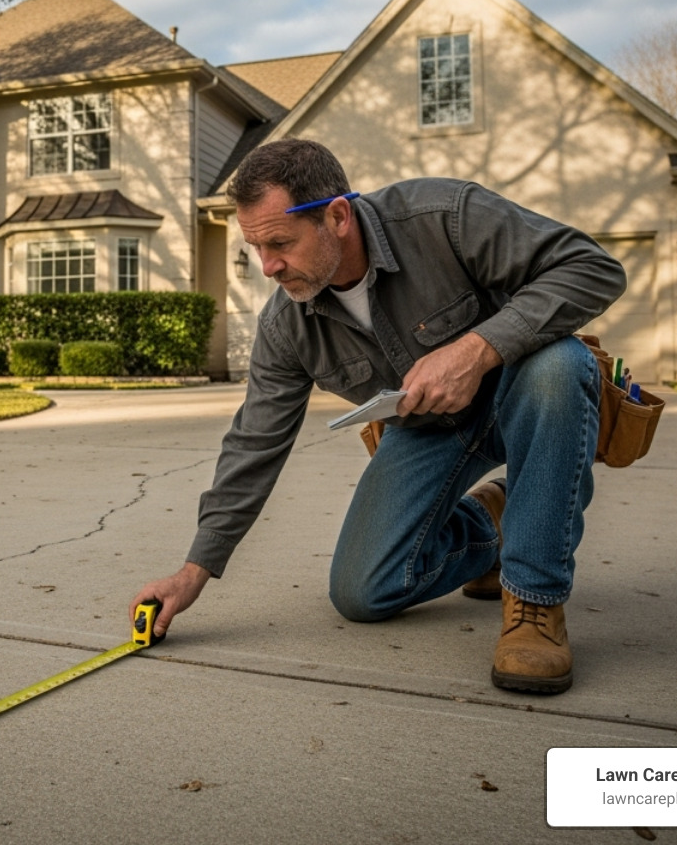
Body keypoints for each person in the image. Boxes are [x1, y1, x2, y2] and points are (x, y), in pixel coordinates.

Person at [132, 138, 626, 693]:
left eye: (280, 243)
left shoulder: (444, 216)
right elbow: (254, 442)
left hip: (524, 395)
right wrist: (193, 571)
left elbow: (593, 269)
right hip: (428, 430)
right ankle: (497, 520)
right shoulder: (285, 325)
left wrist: (476, 350)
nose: (268, 267)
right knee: (364, 591)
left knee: (560, 364)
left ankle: (535, 602)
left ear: (337, 216)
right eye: (257, 247)